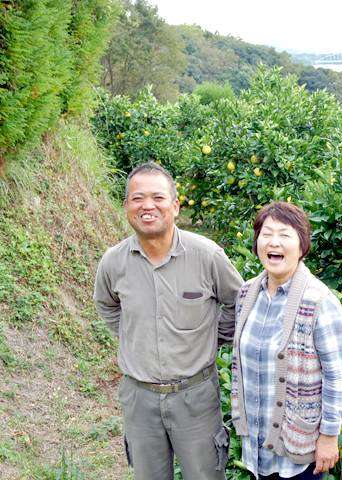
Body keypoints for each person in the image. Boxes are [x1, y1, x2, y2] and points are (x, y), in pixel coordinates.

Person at [94, 162, 243, 480]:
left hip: (196, 397)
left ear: (175, 206)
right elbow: (107, 306)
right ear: (126, 207)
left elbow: (238, 302)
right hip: (139, 398)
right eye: (137, 198)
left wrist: (212, 337)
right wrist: (133, 338)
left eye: (158, 197)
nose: (147, 205)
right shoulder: (114, 262)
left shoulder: (207, 256)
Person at [231, 201, 342, 480]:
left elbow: (337, 377)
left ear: (301, 245)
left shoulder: (320, 301)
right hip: (256, 444)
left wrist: (329, 436)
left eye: (284, 235)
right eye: (266, 234)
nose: (274, 242)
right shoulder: (247, 294)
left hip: (298, 449)